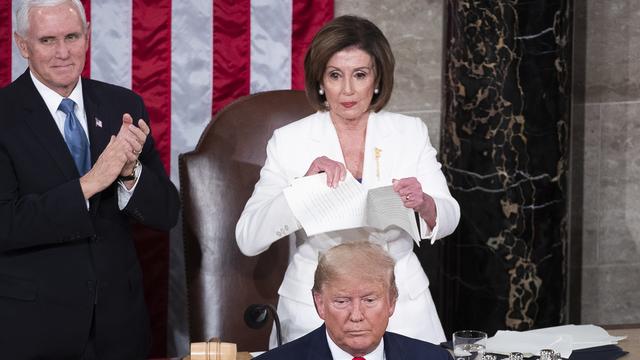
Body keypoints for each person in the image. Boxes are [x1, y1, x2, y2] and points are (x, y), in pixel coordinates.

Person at [236, 14, 459, 348]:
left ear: (377, 79)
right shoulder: (290, 141)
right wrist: (302, 189)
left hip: (401, 304)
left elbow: (450, 215)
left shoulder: (409, 132)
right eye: (335, 75)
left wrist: (424, 203)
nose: (349, 90)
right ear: (321, 81)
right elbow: (248, 237)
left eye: (360, 75)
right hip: (317, 307)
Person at [0, 0, 180, 358]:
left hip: (121, 327)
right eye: (47, 40)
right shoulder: (4, 116)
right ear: (23, 46)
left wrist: (130, 173)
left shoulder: (122, 105)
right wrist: (90, 183)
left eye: (71, 36)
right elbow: (5, 222)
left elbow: (165, 213)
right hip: (35, 329)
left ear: (87, 37)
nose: (63, 52)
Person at [255, 242, 453, 359]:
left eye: (369, 300)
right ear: (320, 303)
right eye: (342, 302)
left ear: (391, 301)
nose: (356, 316)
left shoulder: (434, 358)